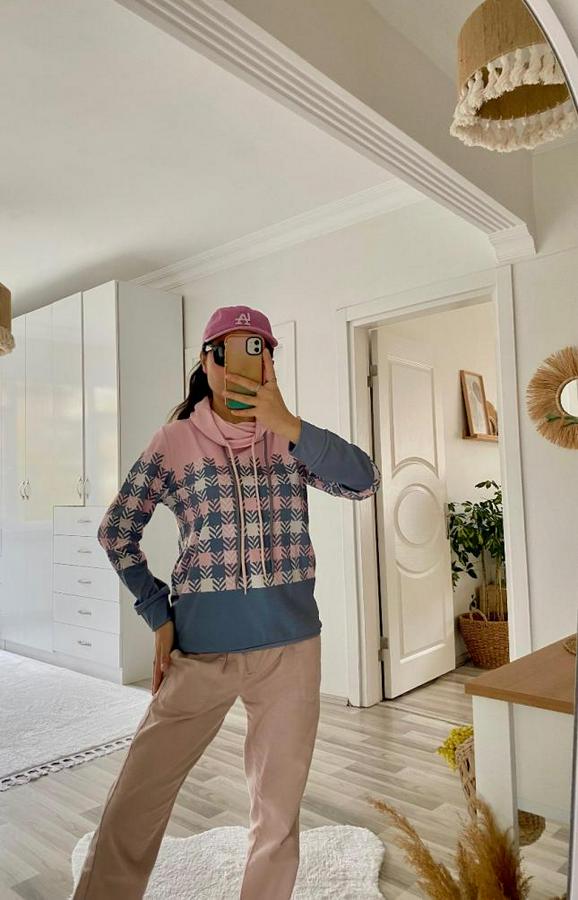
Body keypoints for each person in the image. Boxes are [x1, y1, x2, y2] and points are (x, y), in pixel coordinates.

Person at [71, 305, 381, 900]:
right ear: (206, 362)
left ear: (270, 364)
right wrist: (158, 616)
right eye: (229, 351)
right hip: (202, 653)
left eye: (258, 350)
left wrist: (289, 424)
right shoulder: (174, 442)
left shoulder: (291, 438)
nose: (243, 364)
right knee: (137, 797)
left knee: (277, 815)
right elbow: (117, 531)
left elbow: (365, 481)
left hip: (291, 651)